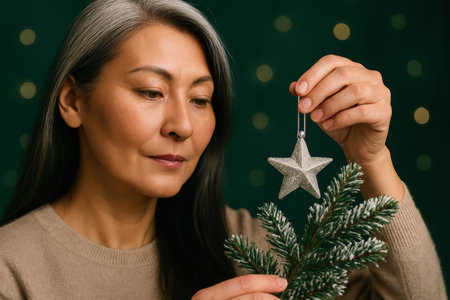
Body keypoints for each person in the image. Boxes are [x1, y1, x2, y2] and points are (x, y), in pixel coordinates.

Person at [0, 0, 446, 299]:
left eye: (200, 99)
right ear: (74, 101)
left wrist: (371, 159)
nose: (182, 126)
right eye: (151, 92)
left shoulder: (244, 245)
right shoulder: (12, 269)